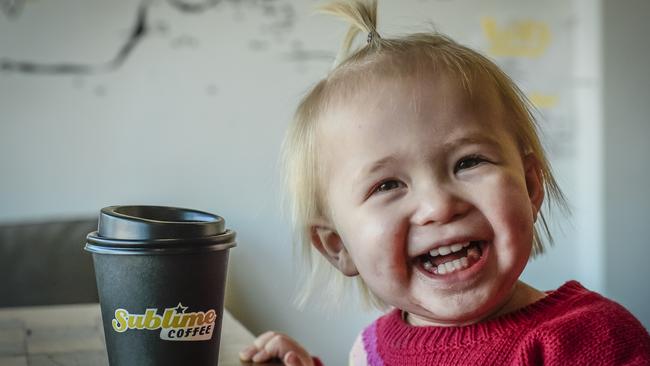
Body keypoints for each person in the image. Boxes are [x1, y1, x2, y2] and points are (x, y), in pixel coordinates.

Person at [239, 0, 650, 364]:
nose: (439, 205)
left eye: (468, 162)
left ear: (528, 186)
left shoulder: (589, 339)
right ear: (338, 246)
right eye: (387, 185)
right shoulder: (369, 349)